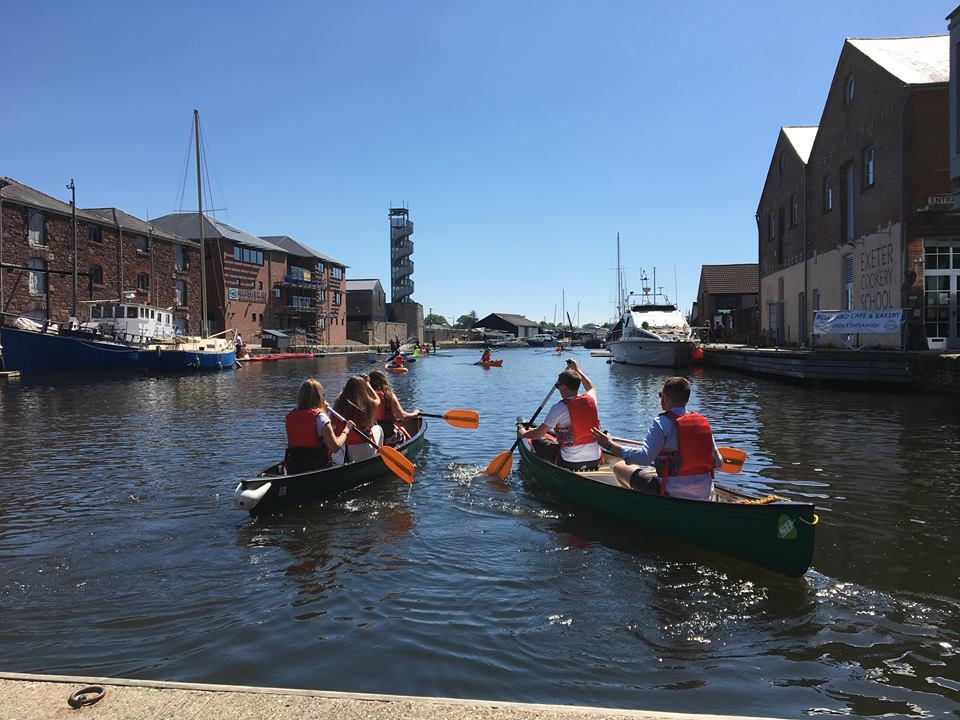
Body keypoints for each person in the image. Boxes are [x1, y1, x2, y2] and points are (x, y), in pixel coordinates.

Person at [591, 376, 723, 500]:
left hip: (672, 493)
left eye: (661, 395)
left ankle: (636, 506)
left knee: (619, 467)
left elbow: (644, 458)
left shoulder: (661, 423)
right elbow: (718, 464)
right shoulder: (702, 423)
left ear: (664, 397)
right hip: (705, 494)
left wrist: (609, 445)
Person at [519, 359, 601, 471]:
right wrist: (577, 369)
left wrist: (523, 434)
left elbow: (537, 434)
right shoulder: (591, 400)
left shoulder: (559, 408)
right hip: (595, 459)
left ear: (564, 387)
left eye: (558, 386)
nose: (558, 389)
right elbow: (591, 387)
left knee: (536, 441)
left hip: (570, 462)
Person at [285, 378, 355, 474]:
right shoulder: (321, 418)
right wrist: (347, 429)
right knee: (343, 444)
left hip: (295, 466)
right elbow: (335, 447)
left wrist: (323, 411)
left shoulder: (291, 417)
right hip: (318, 467)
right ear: (319, 397)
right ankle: (349, 473)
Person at [331, 375, 383, 464]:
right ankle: (378, 460)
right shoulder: (367, 404)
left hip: (342, 451)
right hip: (362, 451)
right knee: (378, 428)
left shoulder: (337, 404)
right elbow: (378, 399)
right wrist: (367, 384)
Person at [369, 369, 418, 445]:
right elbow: (403, 417)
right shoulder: (389, 396)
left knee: (401, 428)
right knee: (402, 431)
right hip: (388, 437)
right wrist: (415, 413)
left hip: (373, 437)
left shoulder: (366, 397)